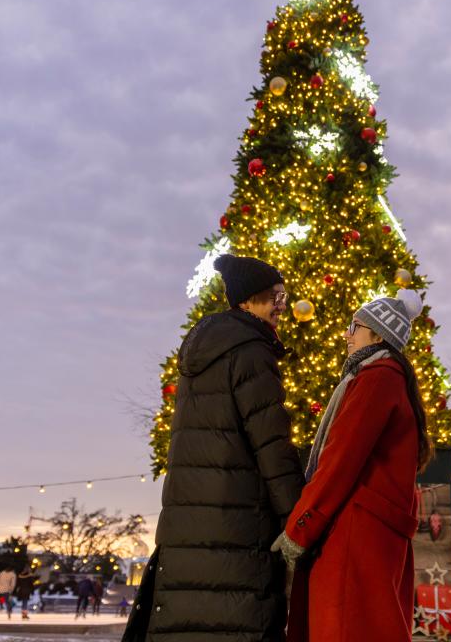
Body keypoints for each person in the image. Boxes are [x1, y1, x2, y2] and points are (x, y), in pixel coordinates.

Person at [131, 254, 304, 642]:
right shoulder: (251, 351)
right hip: (240, 529)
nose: (283, 306)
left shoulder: (204, 352)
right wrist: (300, 521)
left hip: (189, 527)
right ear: (248, 300)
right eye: (276, 297)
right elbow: (272, 445)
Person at [272, 289, 434, 641]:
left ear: (377, 335)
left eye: (354, 326)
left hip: (354, 538)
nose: (347, 334)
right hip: (369, 536)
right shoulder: (389, 378)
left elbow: (340, 459)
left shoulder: (376, 378)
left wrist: (300, 528)